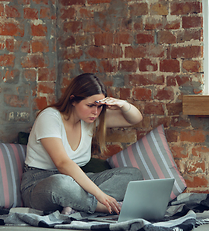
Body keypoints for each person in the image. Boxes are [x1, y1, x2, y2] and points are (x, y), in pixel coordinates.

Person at [20, 73, 144, 215]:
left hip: (76, 181)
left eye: (99, 107)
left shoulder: (90, 119)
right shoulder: (49, 117)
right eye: (90, 105)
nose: (95, 112)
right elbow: (62, 163)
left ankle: (76, 205)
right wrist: (99, 195)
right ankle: (102, 207)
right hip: (40, 185)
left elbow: (135, 119)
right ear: (73, 100)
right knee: (62, 184)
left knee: (133, 175)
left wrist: (122, 104)